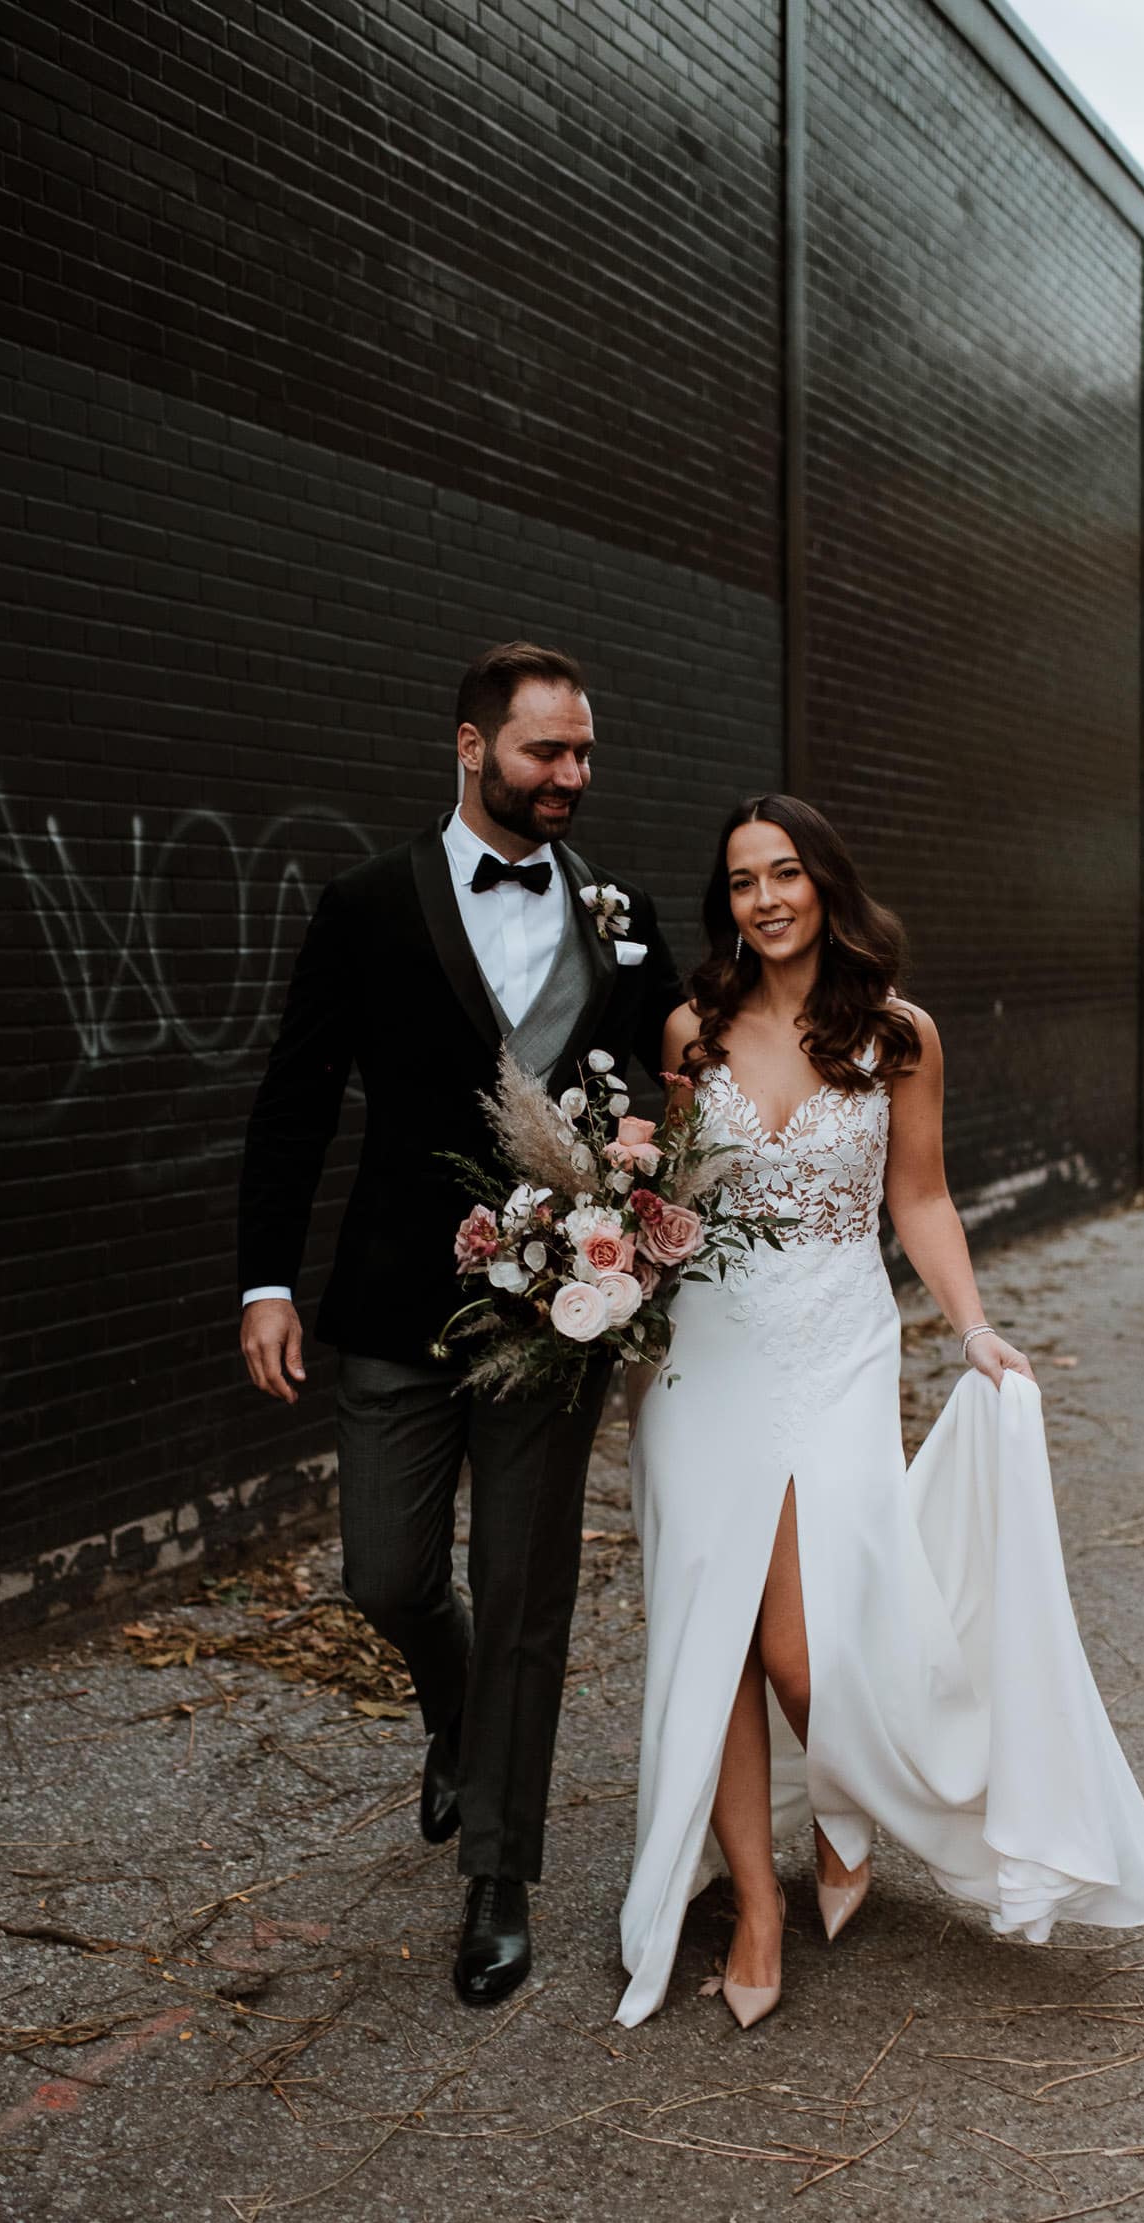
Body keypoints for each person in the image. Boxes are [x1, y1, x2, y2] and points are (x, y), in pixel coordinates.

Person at [615, 793, 1144, 2029]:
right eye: (743, 881)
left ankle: (860, 1808)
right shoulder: (690, 1031)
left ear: (824, 883)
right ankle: (756, 1902)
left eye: (785, 875)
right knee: (713, 1640)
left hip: (834, 1351)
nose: (765, 900)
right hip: (702, 1361)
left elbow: (918, 1199)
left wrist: (972, 1327)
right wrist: (603, 1284)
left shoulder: (897, 1038)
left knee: (799, 1650)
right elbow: (661, 1210)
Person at [238, 643, 683, 2006]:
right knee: (385, 1569)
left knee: (531, 1588)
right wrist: (264, 1280)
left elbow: (680, 1066)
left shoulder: (620, 913)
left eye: (585, 753)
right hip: (393, 1300)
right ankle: (452, 1710)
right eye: (547, 751)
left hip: (563, 1310)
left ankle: (499, 1872)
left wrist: (661, 1167)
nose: (572, 777)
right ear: (469, 746)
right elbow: (296, 1098)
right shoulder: (367, 903)